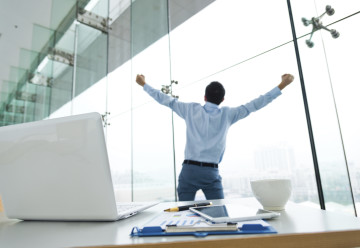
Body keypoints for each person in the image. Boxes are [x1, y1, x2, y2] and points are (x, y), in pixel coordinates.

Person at [135, 73, 294, 201]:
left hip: (189, 171)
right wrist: (282, 85)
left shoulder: (190, 109)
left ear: (204, 97)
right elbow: (256, 104)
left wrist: (144, 84)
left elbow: (165, 100)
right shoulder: (228, 114)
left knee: (183, 216)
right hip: (211, 173)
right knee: (220, 218)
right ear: (222, 100)